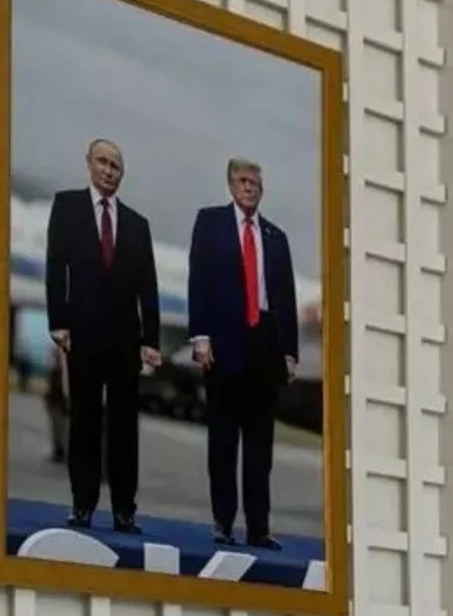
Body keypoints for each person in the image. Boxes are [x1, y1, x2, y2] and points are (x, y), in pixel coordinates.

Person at [45, 138, 162, 533]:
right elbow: (55, 265)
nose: (109, 171)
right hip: (82, 334)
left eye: (115, 166)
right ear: (89, 164)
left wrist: (151, 340)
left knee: (124, 427)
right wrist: (58, 320)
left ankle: (124, 509)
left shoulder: (137, 225)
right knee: (85, 420)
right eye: (103, 162)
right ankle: (82, 504)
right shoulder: (67, 207)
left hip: (125, 340)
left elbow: (148, 286)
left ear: (122, 174)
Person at [186, 157, 298, 550]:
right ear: (231, 185)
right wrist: (200, 336)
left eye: (255, 183)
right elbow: (198, 280)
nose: (249, 188)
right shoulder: (210, 222)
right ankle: (223, 521)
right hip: (224, 343)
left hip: (264, 347)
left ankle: (258, 528)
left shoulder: (275, 237)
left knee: (259, 445)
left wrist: (289, 351)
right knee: (222, 440)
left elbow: (286, 297)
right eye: (243, 181)